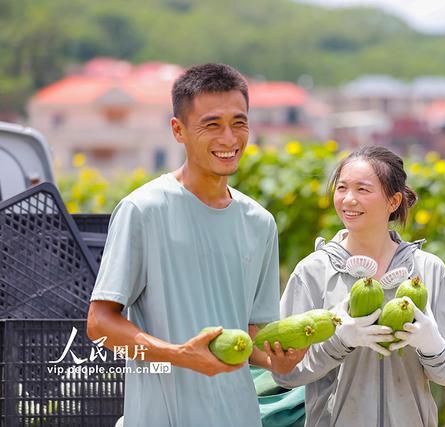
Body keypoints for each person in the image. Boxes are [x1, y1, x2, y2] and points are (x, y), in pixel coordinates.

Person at [87, 63, 305, 426]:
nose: (229, 138)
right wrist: (180, 355)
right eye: (212, 124)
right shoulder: (143, 210)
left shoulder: (260, 222)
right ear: (178, 130)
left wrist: (278, 359)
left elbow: (255, 337)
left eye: (239, 122)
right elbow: (99, 325)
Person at [271, 145, 445, 426]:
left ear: (393, 201)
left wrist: (432, 345)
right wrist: (339, 343)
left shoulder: (428, 270)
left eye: (363, 190)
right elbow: (286, 374)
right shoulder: (313, 272)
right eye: (342, 188)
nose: (348, 200)